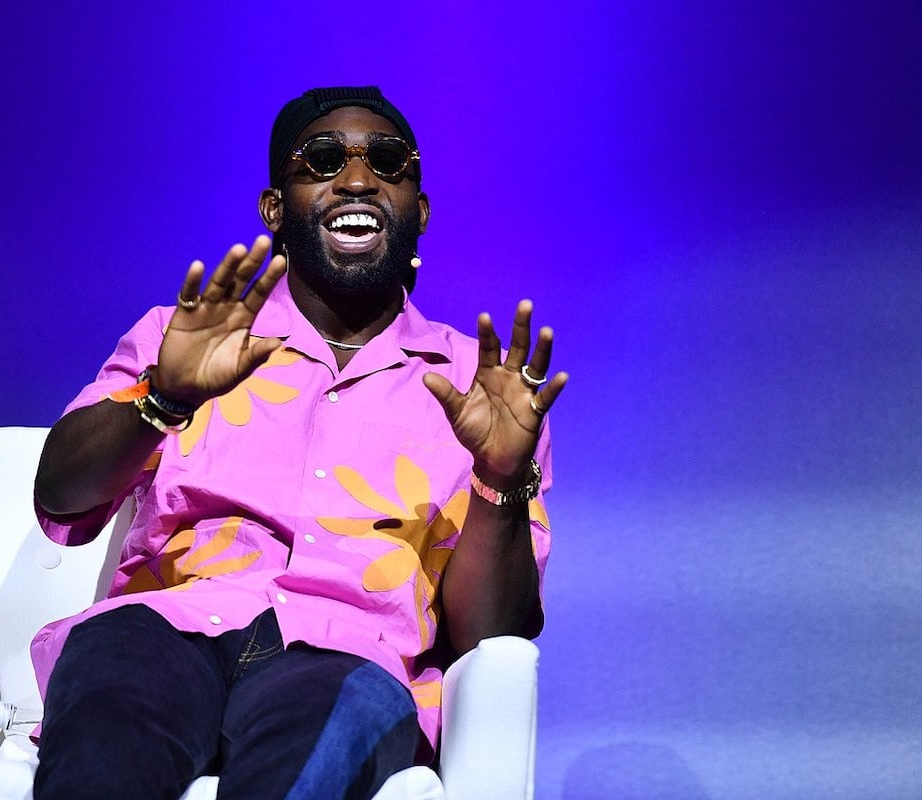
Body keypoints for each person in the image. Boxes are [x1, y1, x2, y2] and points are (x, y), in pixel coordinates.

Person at [29, 86, 568, 800]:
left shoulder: (482, 386)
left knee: (314, 750)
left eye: (387, 162)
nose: (356, 179)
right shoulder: (187, 336)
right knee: (107, 747)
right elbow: (61, 495)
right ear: (275, 208)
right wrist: (165, 398)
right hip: (164, 627)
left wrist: (500, 480)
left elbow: (489, 637)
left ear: (420, 211)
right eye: (320, 160)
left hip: (349, 654)